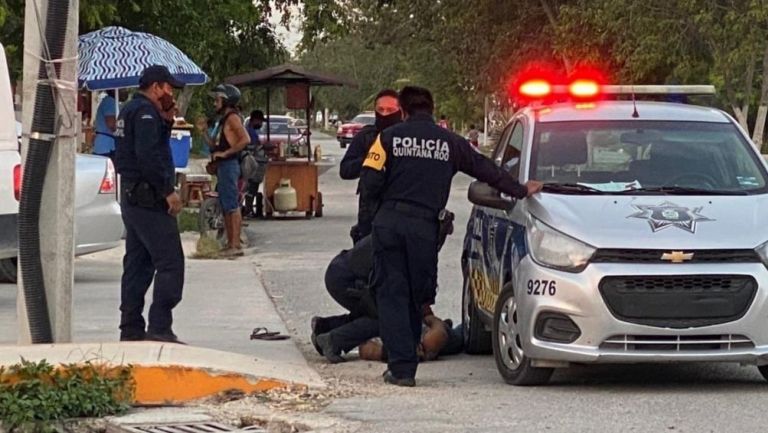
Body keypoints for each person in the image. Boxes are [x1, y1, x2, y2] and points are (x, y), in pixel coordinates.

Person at [360, 86, 543, 386]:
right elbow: (485, 169)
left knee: (392, 293)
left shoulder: (387, 139)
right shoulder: (450, 142)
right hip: (424, 228)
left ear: (403, 111)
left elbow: (369, 182)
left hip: (390, 223)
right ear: (431, 109)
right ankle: (406, 361)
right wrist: (520, 189)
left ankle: (402, 369)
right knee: (416, 297)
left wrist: (377, 217)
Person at [113, 65, 185, 343]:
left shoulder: (131, 110)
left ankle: (130, 328)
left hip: (133, 199)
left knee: (138, 264)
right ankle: (159, 326)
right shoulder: (144, 113)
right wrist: (168, 191)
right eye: (168, 88)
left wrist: (166, 120)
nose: (171, 94)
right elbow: (149, 156)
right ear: (156, 87)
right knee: (170, 263)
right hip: (149, 199)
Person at [339, 89, 402, 244]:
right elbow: (345, 170)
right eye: (381, 110)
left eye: (391, 110)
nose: (385, 114)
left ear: (401, 111)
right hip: (370, 213)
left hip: (400, 214)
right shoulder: (366, 137)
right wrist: (371, 160)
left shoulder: (407, 139)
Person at [197, 84, 250, 256]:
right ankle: (231, 243)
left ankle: (234, 245)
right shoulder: (222, 120)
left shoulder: (233, 118)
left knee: (231, 206)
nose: (215, 103)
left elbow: (244, 139)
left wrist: (226, 153)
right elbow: (214, 145)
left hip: (229, 165)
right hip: (223, 166)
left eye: (217, 99)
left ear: (226, 100)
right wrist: (204, 132)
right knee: (227, 205)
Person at [243, 110, 270, 218]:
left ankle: (249, 209)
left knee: (252, 187)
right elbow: (251, 147)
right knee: (251, 187)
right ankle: (248, 210)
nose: (261, 124)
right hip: (252, 162)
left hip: (254, 161)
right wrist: (263, 147)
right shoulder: (249, 131)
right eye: (260, 122)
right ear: (255, 120)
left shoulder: (250, 130)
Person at [93, 90, 118, 159]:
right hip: (106, 146)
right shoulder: (110, 102)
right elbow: (111, 124)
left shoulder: (108, 101)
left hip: (103, 144)